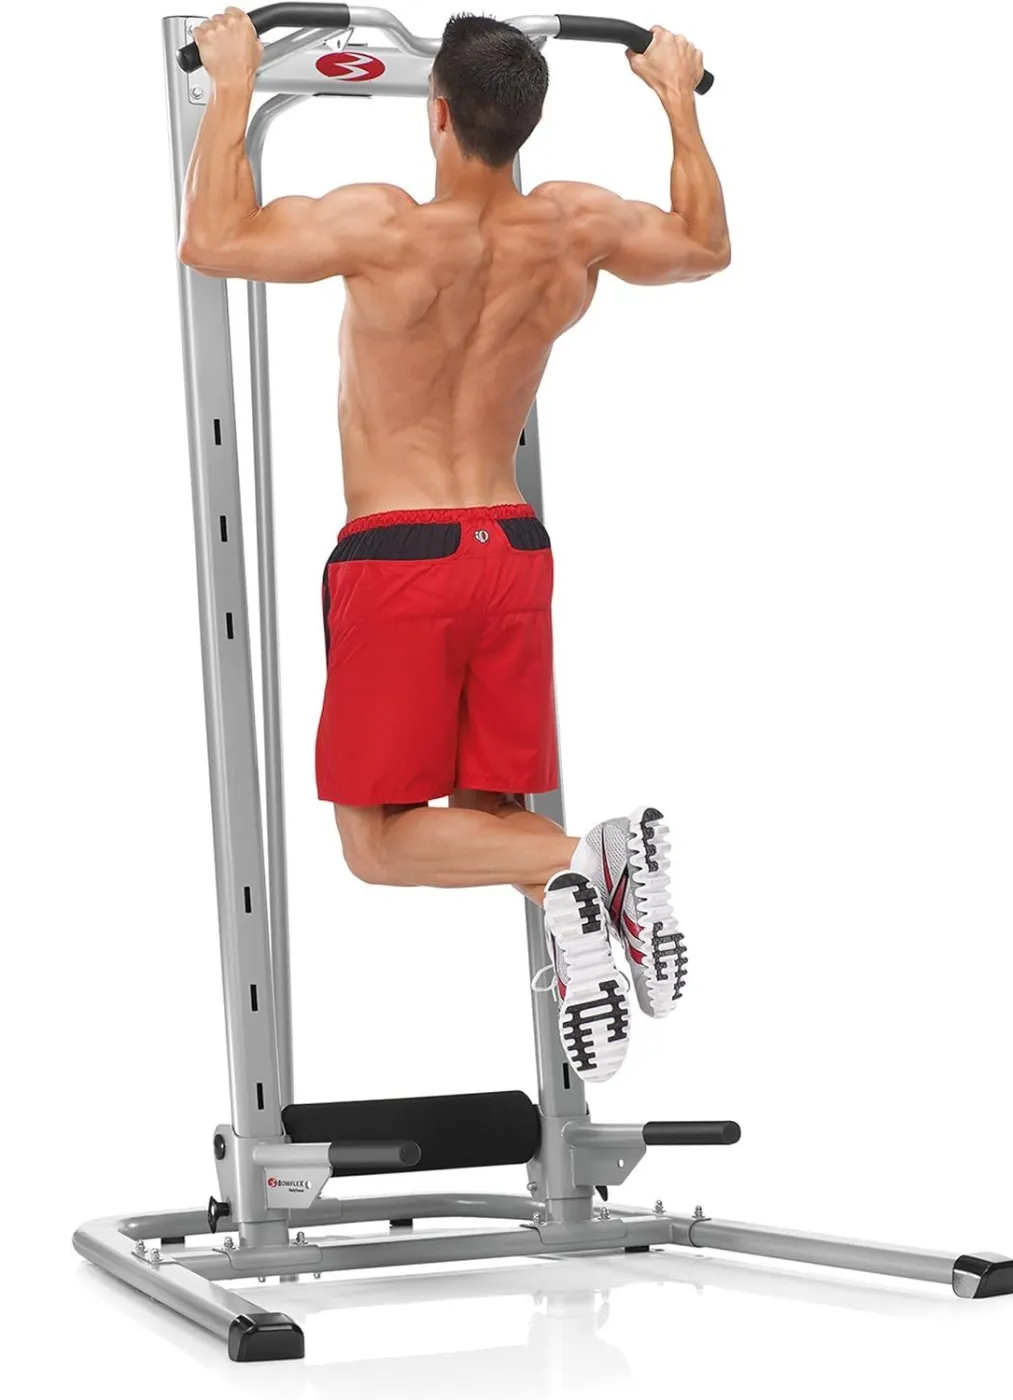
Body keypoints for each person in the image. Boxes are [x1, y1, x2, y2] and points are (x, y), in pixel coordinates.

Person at [180, 9, 730, 1082]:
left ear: (436, 114)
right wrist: (674, 97)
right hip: (511, 550)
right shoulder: (571, 225)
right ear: (527, 123)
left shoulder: (385, 226)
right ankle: (583, 891)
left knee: (378, 845)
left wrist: (235, 82)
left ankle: (587, 857)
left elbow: (214, 239)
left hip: (402, 556)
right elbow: (705, 246)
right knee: (485, 820)